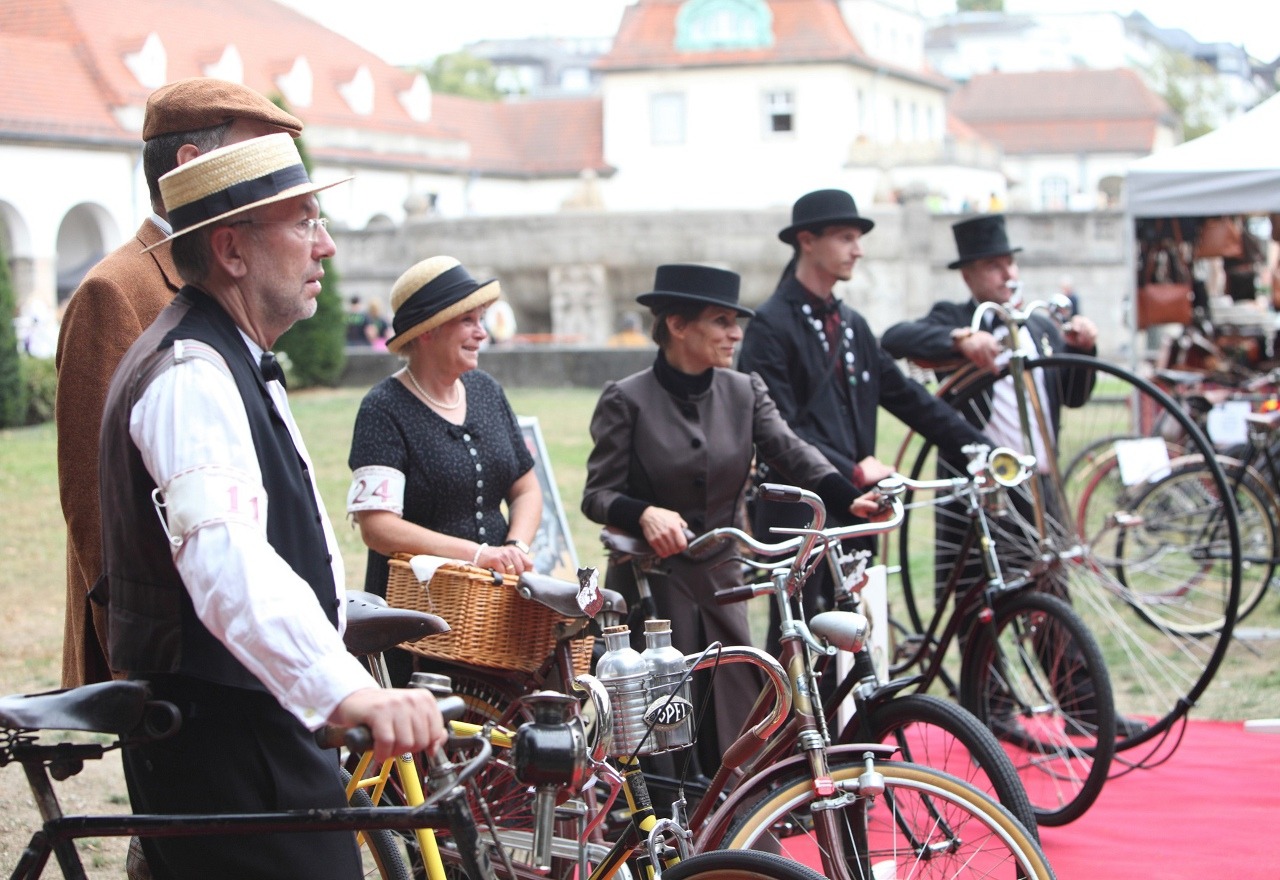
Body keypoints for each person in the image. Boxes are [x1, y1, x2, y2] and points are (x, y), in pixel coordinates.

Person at [97, 134, 446, 879]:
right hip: (227, 742)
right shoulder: (190, 373)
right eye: (303, 222)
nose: (325, 245)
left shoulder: (229, 356)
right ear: (231, 250)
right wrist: (346, 690)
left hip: (259, 727)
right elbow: (225, 555)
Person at [581, 263, 886, 773]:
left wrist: (847, 495)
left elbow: (792, 450)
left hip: (723, 580)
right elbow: (597, 495)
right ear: (678, 325)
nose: (736, 334)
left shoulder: (745, 391)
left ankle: (740, 814)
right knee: (663, 731)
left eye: (735, 322)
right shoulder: (626, 398)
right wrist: (644, 512)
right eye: (721, 321)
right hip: (655, 585)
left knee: (737, 713)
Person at [56, 78, 305, 690]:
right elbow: (95, 501)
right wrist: (136, 668)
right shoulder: (115, 290)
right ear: (190, 165)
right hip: (172, 651)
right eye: (253, 153)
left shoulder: (229, 275)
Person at [737, 189, 990, 655]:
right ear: (807, 241)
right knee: (801, 641)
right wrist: (851, 471)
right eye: (846, 237)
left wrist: (982, 450)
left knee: (857, 636)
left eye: (858, 238)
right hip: (802, 508)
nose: (858, 250)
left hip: (858, 505)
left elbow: (909, 398)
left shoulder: (851, 324)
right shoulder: (770, 326)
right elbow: (779, 429)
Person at [346, 256, 541, 683]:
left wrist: (515, 547)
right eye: (467, 321)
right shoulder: (382, 408)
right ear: (428, 330)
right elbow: (377, 527)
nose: (481, 332)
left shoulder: (487, 391)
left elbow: (526, 488)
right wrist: (476, 555)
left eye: (481, 319)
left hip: (492, 609)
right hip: (417, 619)